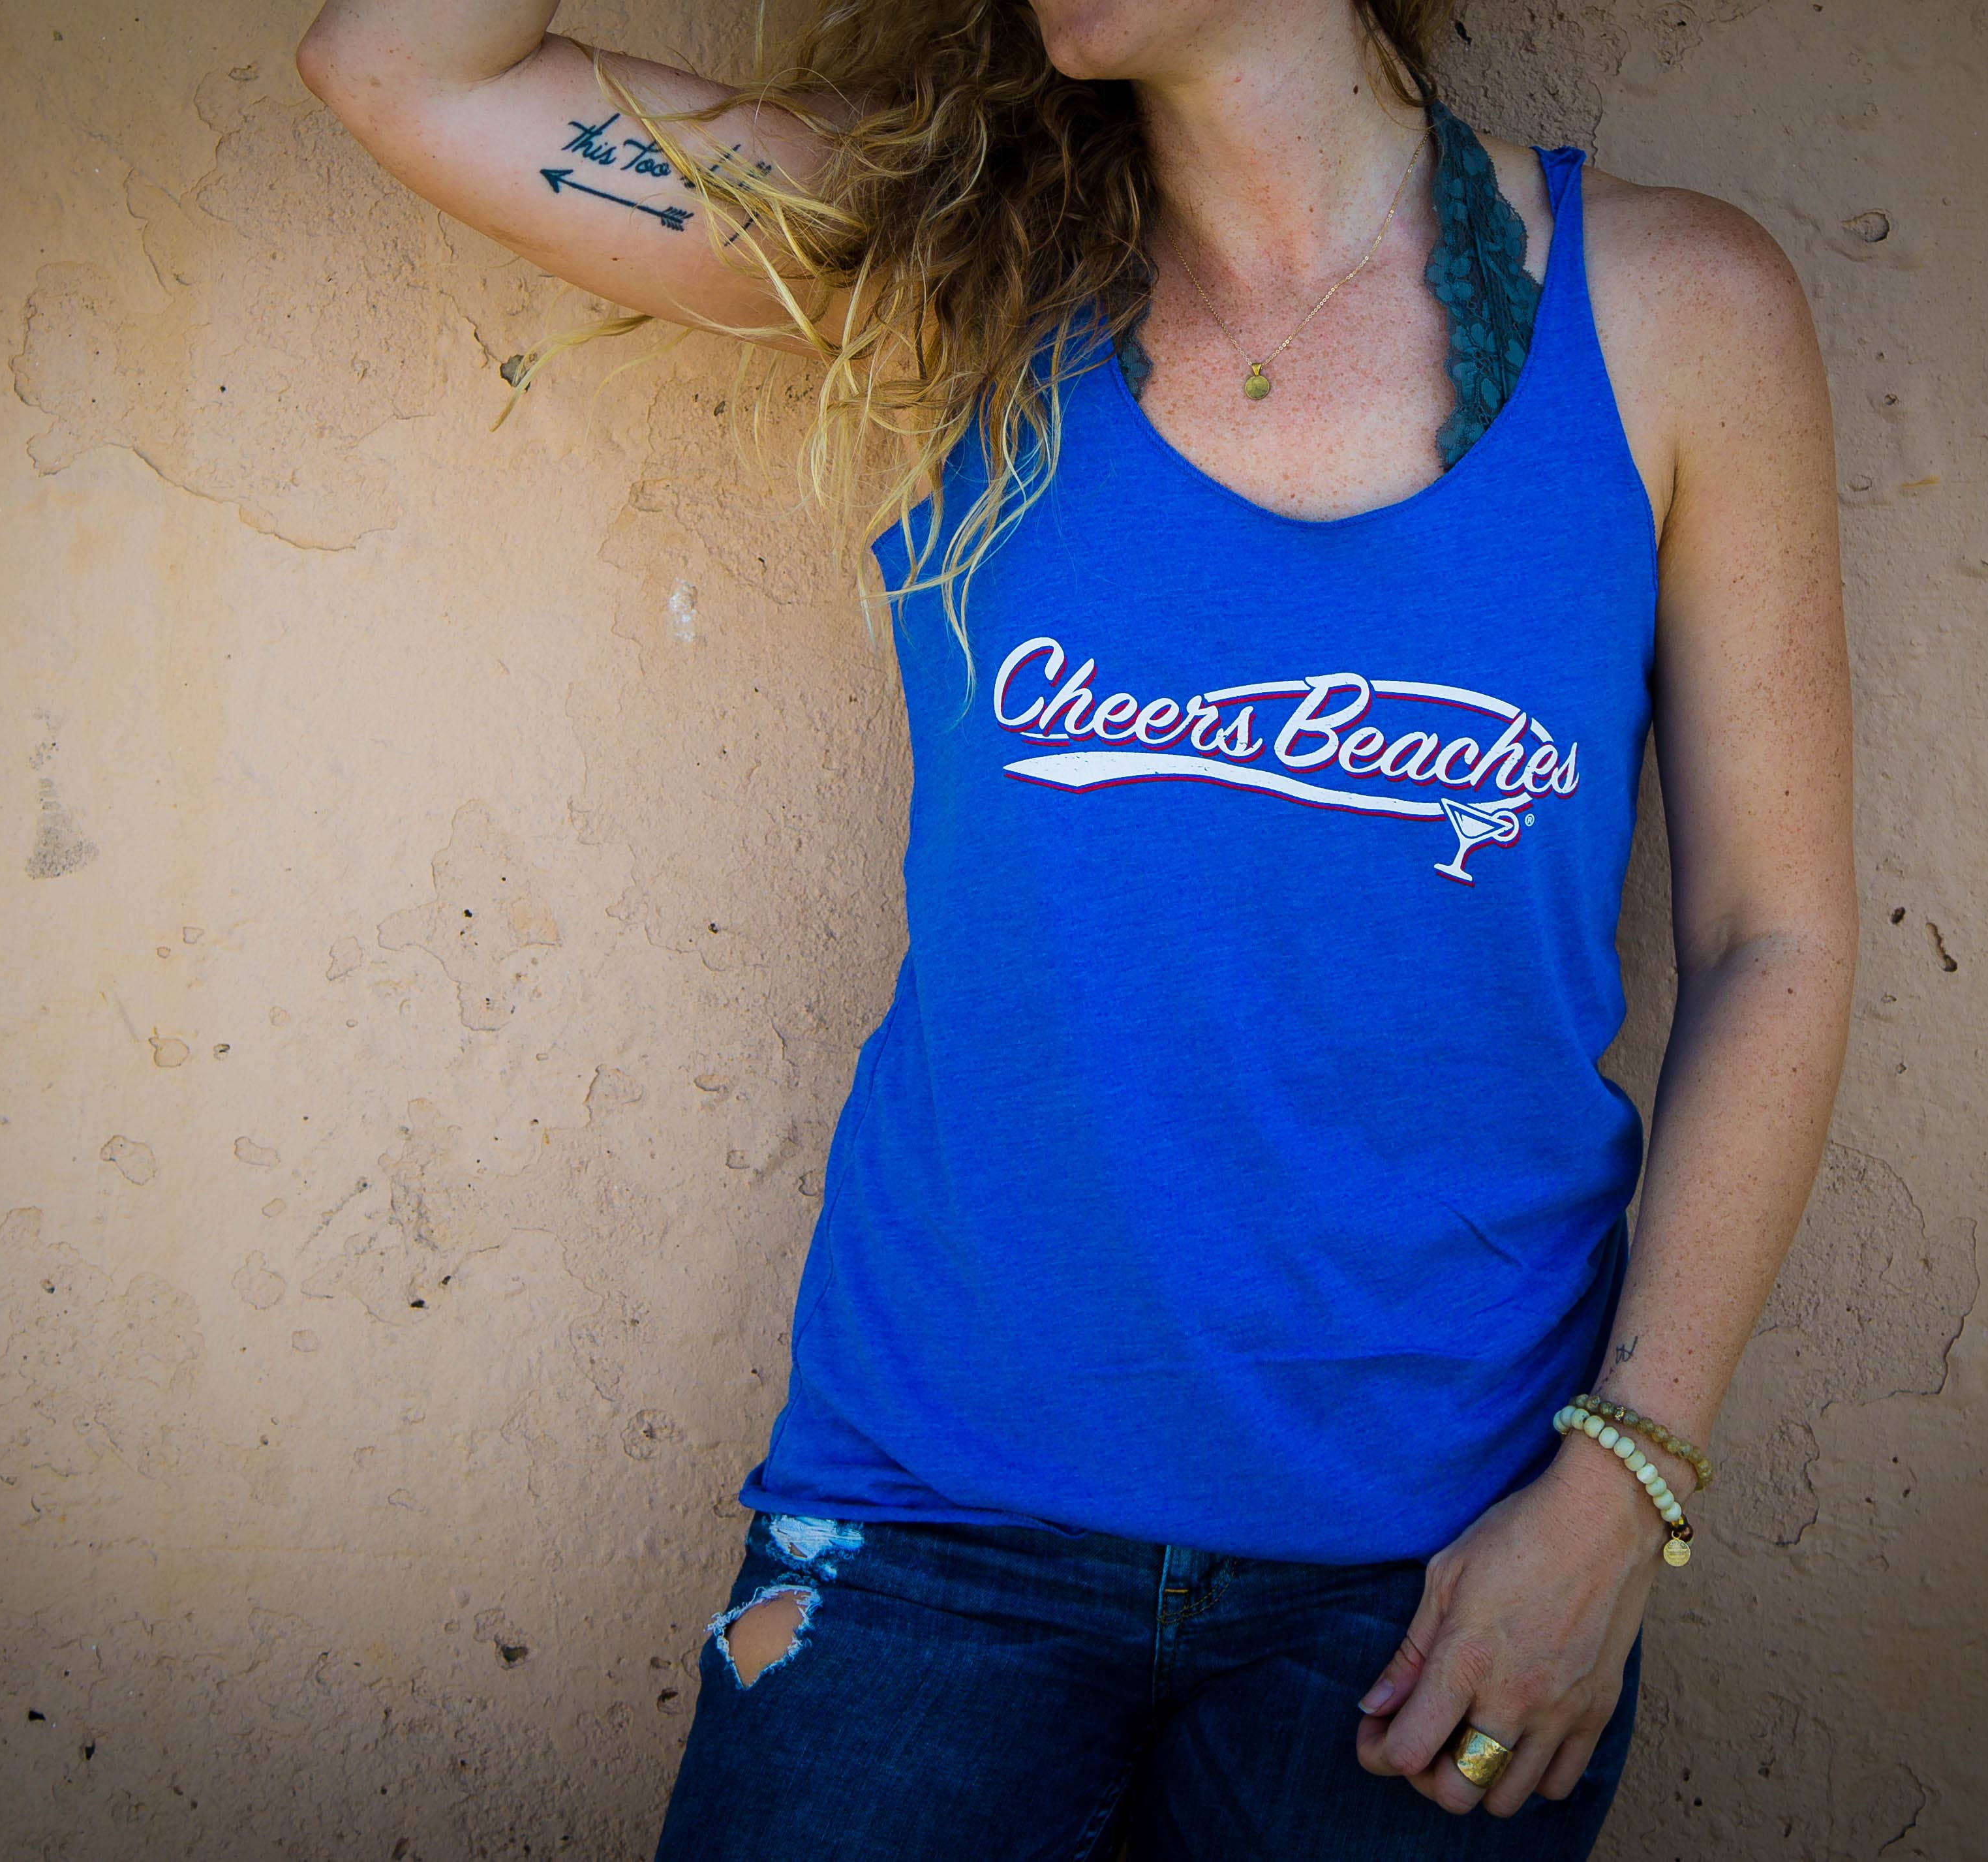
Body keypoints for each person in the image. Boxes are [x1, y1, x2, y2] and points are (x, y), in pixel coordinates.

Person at [296, 2, 1856, 1855]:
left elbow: (1771, 935)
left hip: (1446, 1564)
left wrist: (1623, 1487)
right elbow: (404, 67)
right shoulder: (942, 258)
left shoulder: (1675, 315)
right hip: (933, 1531)